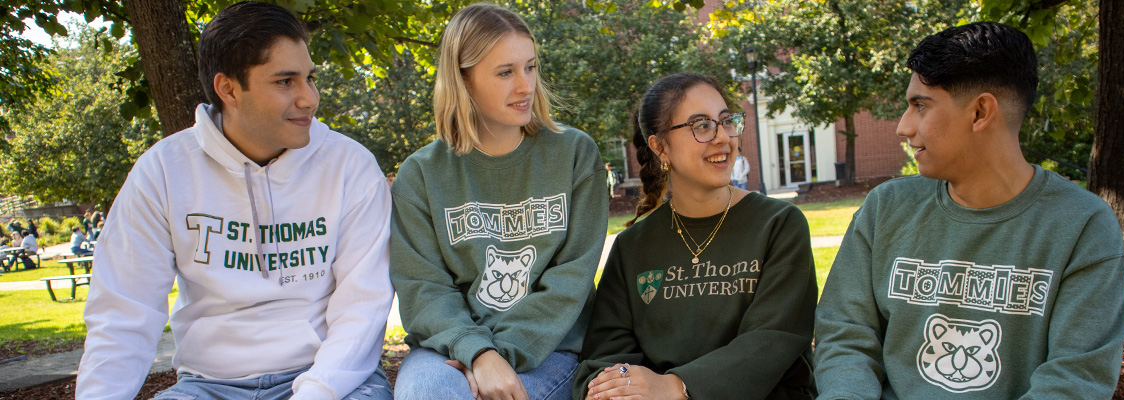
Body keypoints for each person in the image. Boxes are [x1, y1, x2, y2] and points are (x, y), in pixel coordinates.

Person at [76, 2, 394, 399]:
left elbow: (362, 307)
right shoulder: (164, 171)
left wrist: (316, 391)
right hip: (208, 386)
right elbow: (123, 311)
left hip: (332, 379)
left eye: (309, 78)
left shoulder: (350, 166)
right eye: (285, 82)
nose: (309, 98)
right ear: (228, 89)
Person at [813, 22, 1124, 399]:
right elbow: (845, 337)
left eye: (920, 106)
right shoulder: (885, 208)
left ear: (981, 111)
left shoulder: (1082, 226)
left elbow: (1075, 380)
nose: (903, 127)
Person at [389, 4, 608, 400]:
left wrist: (497, 356)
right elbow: (423, 288)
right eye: (506, 72)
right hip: (448, 348)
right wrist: (477, 352)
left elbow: (570, 281)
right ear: (463, 80)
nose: (526, 86)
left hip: (549, 347)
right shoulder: (421, 174)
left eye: (531, 67)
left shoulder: (574, 155)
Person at [574, 72, 818, 400]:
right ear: (660, 147)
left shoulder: (778, 224)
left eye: (726, 121)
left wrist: (676, 386)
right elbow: (606, 354)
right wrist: (615, 387)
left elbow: (772, 340)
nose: (723, 138)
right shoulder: (633, 247)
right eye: (701, 126)